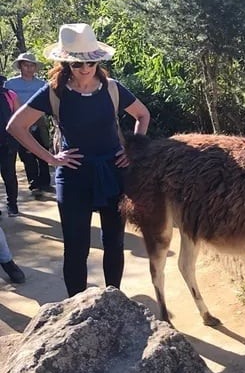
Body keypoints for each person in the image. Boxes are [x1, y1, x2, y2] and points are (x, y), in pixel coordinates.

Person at [7, 23, 150, 297]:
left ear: (98, 60)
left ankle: (113, 300)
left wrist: (132, 150)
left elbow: (142, 115)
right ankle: (76, 308)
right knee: (75, 247)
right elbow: (16, 126)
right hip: (73, 176)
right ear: (65, 63)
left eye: (91, 62)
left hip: (113, 171)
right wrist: (50, 158)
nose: (85, 69)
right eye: (76, 64)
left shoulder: (113, 89)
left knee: (114, 242)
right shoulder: (53, 92)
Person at [5, 52, 52, 198]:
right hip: (19, 121)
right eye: (26, 65)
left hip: (39, 120)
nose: (29, 68)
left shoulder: (42, 84)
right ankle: (34, 182)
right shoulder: (10, 84)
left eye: (32, 65)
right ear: (20, 66)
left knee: (43, 149)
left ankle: (45, 181)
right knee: (26, 153)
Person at [0, 75, 21, 217]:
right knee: (9, 174)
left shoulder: (10, 95)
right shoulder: (10, 94)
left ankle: (12, 204)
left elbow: (18, 117)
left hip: (8, 142)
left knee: (9, 174)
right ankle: (12, 205)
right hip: (9, 141)